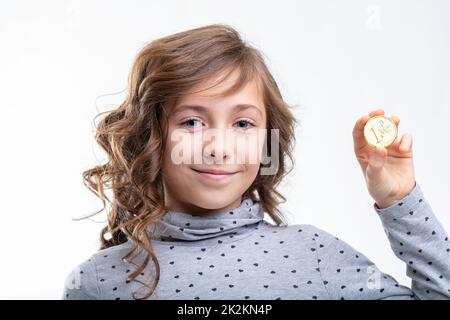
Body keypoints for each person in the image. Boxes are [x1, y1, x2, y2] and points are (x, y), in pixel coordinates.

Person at [62, 24, 450, 300]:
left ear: (268, 143)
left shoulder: (316, 254)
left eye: (243, 123)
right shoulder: (97, 281)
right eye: (192, 122)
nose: (219, 146)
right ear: (150, 136)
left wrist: (401, 202)